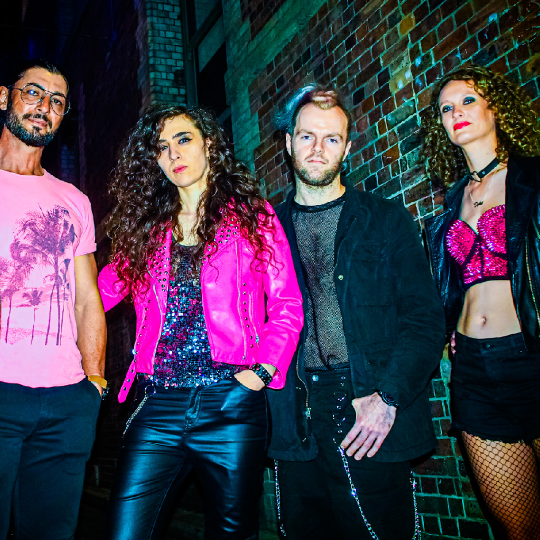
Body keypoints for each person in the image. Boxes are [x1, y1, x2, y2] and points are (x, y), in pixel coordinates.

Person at [98, 103, 303, 540]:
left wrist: (262, 372)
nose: (173, 153)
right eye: (161, 148)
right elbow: (95, 296)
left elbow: (287, 304)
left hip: (230, 401)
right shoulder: (146, 230)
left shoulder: (253, 216)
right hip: (160, 405)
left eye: (183, 139)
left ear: (209, 143)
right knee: (124, 532)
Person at [267, 84, 445, 540]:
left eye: (331, 139)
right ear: (288, 143)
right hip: (293, 411)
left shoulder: (386, 219)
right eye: (306, 136)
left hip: (367, 401)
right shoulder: (262, 228)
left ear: (347, 147)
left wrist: (387, 398)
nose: (318, 148)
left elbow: (425, 320)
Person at [423, 65, 540, 539]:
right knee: (519, 531)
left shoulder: (532, 176)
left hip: (530, 358)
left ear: (495, 105)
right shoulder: (455, 200)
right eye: (446, 109)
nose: (457, 114)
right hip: (473, 372)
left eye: (468, 101)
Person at [0, 59, 106, 540]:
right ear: (5, 98)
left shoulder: (73, 199)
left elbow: (87, 298)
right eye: (34, 92)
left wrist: (95, 382)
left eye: (57, 101)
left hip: (66, 404)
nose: (44, 106)